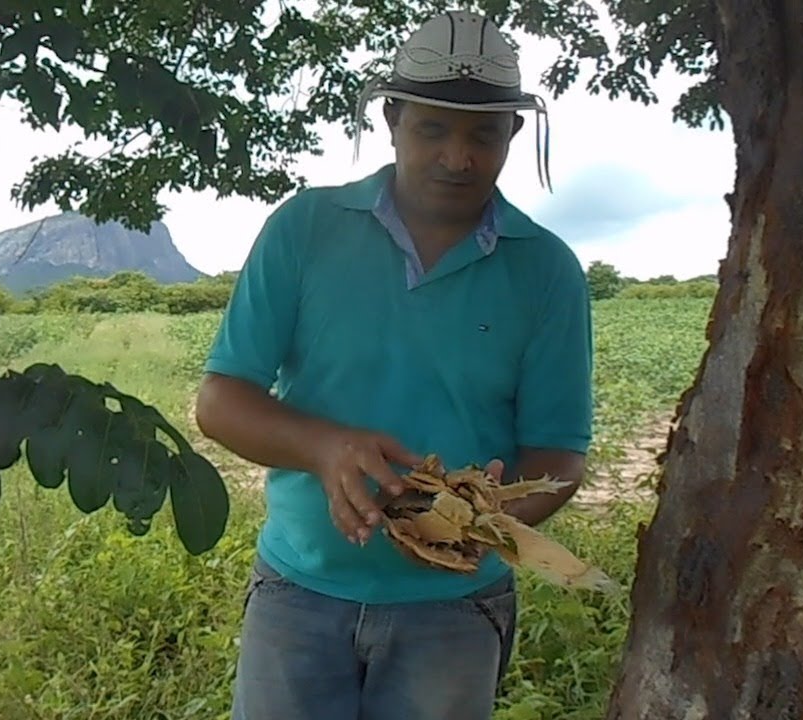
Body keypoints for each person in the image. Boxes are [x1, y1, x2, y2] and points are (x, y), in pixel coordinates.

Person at [194, 9, 594, 720]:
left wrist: (481, 524)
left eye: (483, 134)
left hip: (455, 612)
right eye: (432, 128)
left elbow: (559, 453)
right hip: (299, 595)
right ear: (392, 119)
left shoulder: (548, 271)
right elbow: (221, 399)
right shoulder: (306, 228)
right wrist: (324, 449)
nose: (458, 157)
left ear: (513, 133)